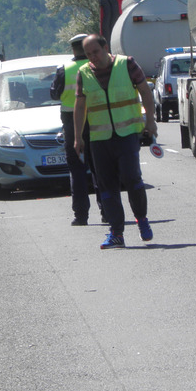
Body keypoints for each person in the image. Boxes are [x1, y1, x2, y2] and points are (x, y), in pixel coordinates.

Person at [73, 34, 157, 249]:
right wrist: (78, 136)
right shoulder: (83, 73)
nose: (93, 57)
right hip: (100, 139)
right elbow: (80, 106)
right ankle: (116, 233)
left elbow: (145, 92)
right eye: (89, 54)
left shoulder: (126, 64)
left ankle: (142, 221)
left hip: (127, 134)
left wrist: (151, 121)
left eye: (96, 52)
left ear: (105, 48)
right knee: (106, 187)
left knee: (132, 180)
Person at [51, 33, 103, 226]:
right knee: (100, 168)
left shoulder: (64, 69)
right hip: (96, 120)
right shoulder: (97, 66)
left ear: (73, 49)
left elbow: (54, 93)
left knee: (77, 169)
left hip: (72, 124)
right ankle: (106, 211)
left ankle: (81, 215)